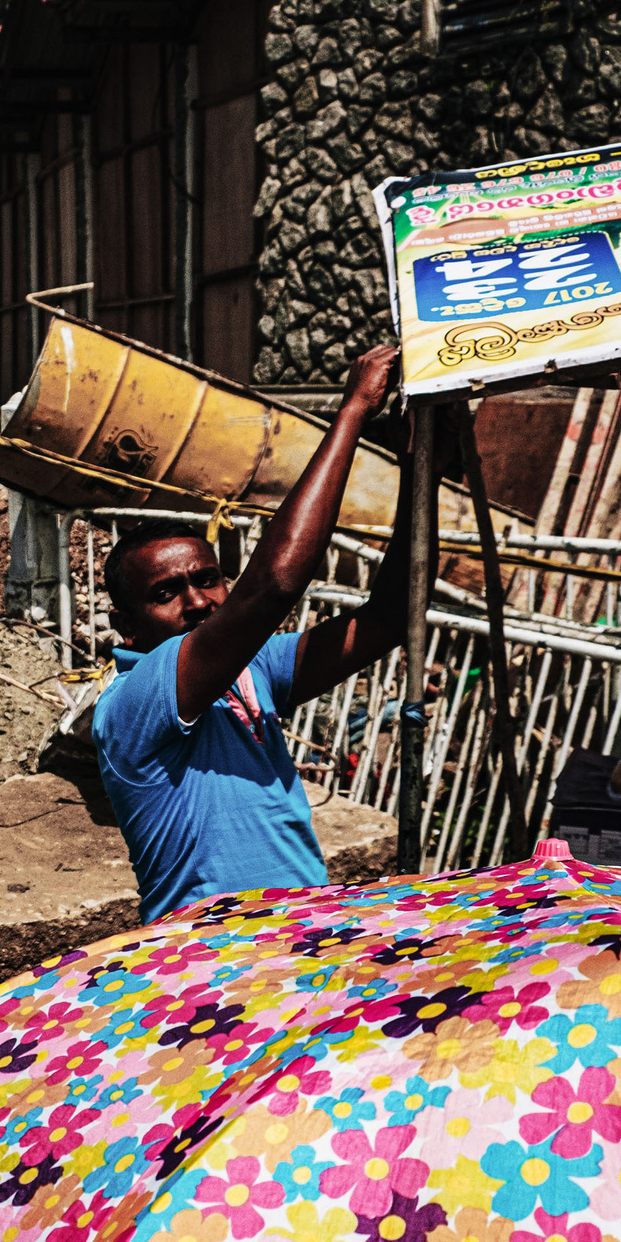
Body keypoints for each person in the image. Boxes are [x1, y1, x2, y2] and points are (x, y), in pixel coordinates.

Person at [89, 342, 407, 921]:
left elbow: (386, 620)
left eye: (207, 579)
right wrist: (353, 412)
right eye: (165, 593)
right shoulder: (134, 700)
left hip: (303, 931)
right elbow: (275, 586)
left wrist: (423, 471)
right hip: (210, 950)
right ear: (126, 628)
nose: (196, 602)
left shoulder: (252, 669)